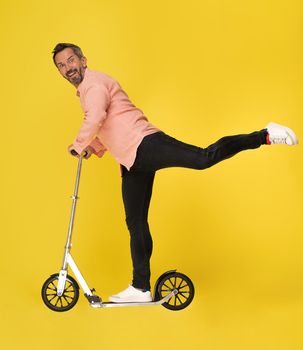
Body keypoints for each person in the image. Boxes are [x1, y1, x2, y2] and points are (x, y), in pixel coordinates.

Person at [52, 42, 298, 303]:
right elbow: (108, 124)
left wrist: (77, 145)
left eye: (70, 61)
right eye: (61, 65)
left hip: (146, 144)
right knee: (135, 222)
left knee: (204, 158)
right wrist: (92, 147)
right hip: (132, 159)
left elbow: (96, 116)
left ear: (83, 60)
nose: (68, 68)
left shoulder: (94, 84)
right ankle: (141, 287)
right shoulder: (87, 89)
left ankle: (264, 135)